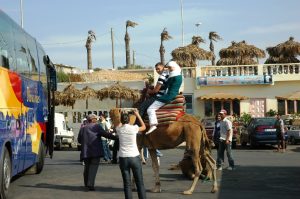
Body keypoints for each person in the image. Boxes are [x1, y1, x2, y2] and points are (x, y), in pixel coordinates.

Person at [77, 113, 118, 191]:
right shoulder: (97, 126)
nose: (97, 120)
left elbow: (79, 140)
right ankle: (90, 185)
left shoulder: (83, 128)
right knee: (93, 167)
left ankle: (86, 184)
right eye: (96, 119)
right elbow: (106, 134)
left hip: (86, 152)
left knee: (87, 167)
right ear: (93, 120)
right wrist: (116, 137)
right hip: (95, 151)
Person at [116, 109, 147, 199]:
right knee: (139, 182)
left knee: (127, 184)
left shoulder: (119, 129)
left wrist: (121, 113)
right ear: (129, 120)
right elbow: (144, 127)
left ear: (121, 120)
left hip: (123, 158)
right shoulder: (134, 128)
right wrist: (137, 114)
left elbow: (119, 124)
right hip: (134, 157)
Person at [146, 60, 183, 134]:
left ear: (174, 67)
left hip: (168, 96)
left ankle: (153, 124)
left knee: (150, 109)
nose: (168, 69)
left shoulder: (172, 76)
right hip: (173, 94)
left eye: (170, 68)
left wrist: (150, 90)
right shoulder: (179, 76)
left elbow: (163, 86)